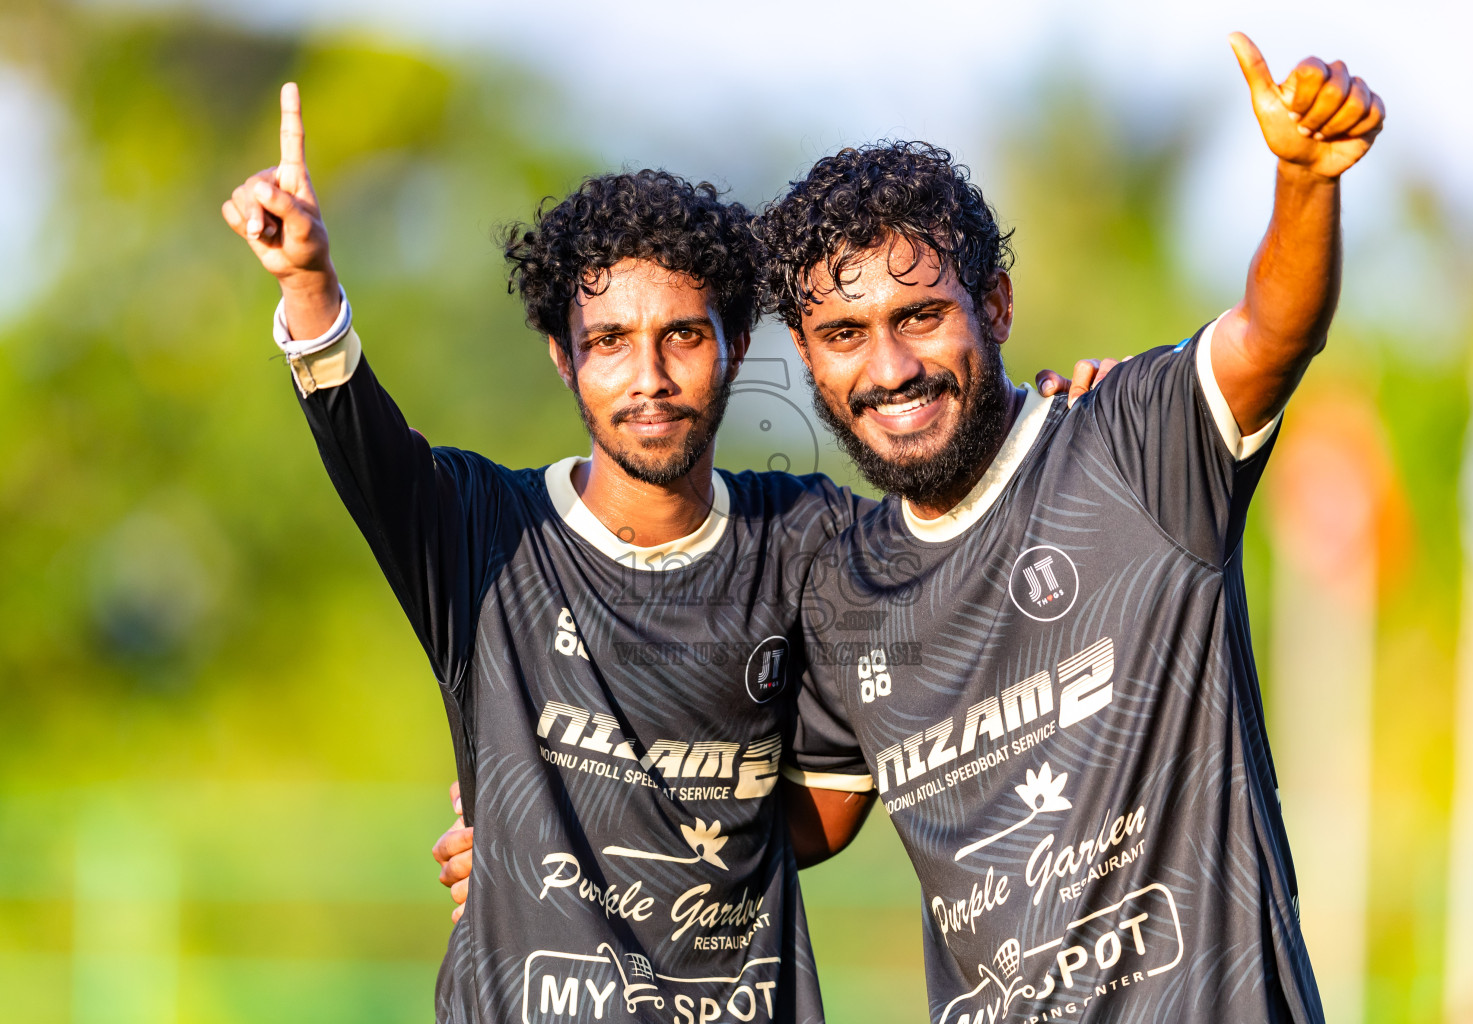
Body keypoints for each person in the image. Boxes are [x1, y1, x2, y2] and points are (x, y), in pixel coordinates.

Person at [222, 80, 1116, 1023]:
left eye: (682, 336)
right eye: (609, 341)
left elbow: (841, 790)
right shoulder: (482, 533)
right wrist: (311, 289)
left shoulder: (810, 536)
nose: (647, 378)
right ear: (565, 359)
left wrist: (1056, 427)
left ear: (734, 345)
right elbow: (365, 446)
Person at [767, 32, 1382, 1023]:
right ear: (808, 357)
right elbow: (801, 816)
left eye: (921, 316)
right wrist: (548, 834)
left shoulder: (1136, 448)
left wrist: (1305, 181)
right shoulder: (846, 591)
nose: (888, 368)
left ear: (996, 304)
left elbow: (1274, 329)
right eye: (844, 334)